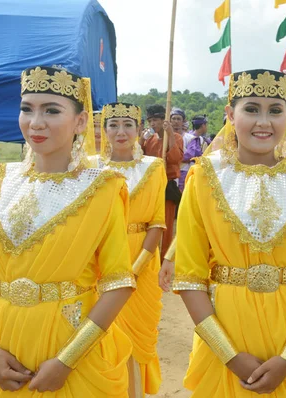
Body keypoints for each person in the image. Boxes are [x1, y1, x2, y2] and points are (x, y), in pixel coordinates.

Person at [0, 66, 136, 396]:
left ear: (81, 122)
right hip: (7, 345)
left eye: (52, 110)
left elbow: (118, 283)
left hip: (72, 345)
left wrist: (67, 360)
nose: (35, 122)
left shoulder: (101, 190)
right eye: (26, 109)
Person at [172, 69, 286, 397]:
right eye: (251, 109)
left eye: (275, 110)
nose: (264, 121)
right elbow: (190, 279)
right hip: (224, 331)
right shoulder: (205, 177)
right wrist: (230, 355)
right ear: (230, 115)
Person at [97, 102, 167, 397]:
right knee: (102, 333)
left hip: (141, 261)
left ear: (140, 130)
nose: (121, 131)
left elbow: (157, 223)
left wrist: (135, 268)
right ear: (104, 130)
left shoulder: (153, 168)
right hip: (101, 263)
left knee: (136, 338)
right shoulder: (91, 168)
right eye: (113, 125)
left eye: (128, 124)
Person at [140, 104, 183, 257]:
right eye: (150, 120)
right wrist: (141, 139)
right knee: (148, 222)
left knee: (165, 223)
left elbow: (175, 159)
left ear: (163, 120)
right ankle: (148, 255)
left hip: (166, 186)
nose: (153, 124)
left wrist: (170, 135)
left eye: (156, 120)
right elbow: (137, 157)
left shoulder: (176, 137)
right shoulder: (149, 139)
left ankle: (164, 257)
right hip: (150, 186)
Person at [180, 115, 210, 191]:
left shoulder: (201, 139)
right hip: (184, 171)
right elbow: (190, 155)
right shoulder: (190, 137)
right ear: (203, 125)